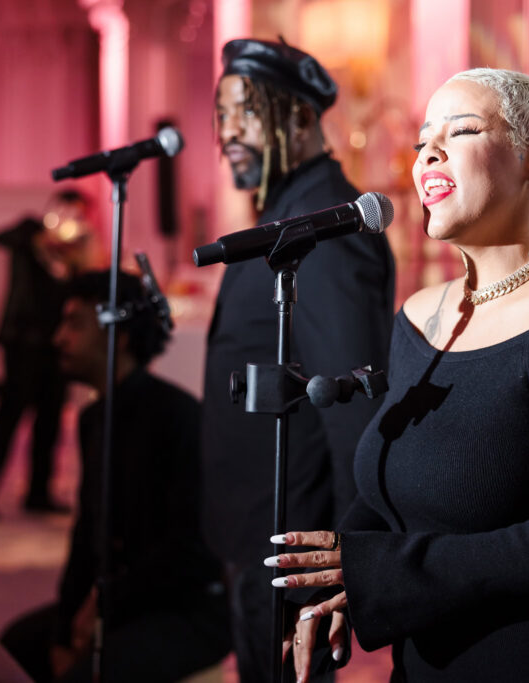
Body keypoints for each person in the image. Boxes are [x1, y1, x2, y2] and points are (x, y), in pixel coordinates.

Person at [269, 69, 529, 681]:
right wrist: (343, 578)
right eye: (423, 140)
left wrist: (387, 570)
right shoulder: (421, 315)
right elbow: (396, 485)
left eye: (463, 130)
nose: (430, 153)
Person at [202, 38, 395, 682]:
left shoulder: (327, 233)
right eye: (221, 115)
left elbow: (352, 417)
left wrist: (345, 558)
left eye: (245, 112)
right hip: (257, 532)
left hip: (294, 543)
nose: (227, 131)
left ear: (301, 119)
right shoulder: (282, 220)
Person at [1, 271, 230, 683]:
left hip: (188, 609)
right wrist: (64, 628)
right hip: (123, 600)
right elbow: (88, 532)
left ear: (119, 336)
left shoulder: (177, 417)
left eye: (75, 324)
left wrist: (103, 604)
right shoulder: (93, 419)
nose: (59, 338)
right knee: (12, 648)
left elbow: (191, 552)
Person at [0, 190, 93, 520]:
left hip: (55, 345)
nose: (72, 220)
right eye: (68, 212)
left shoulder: (76, 253)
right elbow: (1, 237)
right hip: (21, 341)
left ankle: (39, 493)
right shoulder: (29, 233)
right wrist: (43, 236)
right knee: (10, 416)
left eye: (79, 215)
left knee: (51, 420)